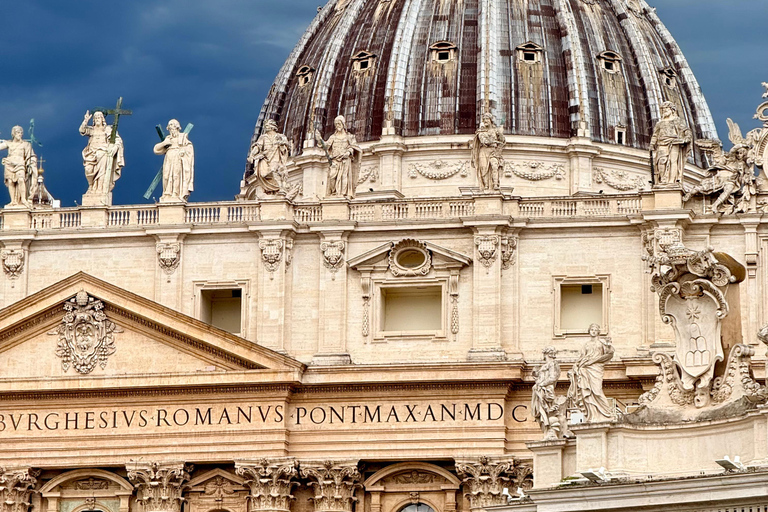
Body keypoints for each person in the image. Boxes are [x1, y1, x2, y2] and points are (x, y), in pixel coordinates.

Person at [567, 324, 615, 423]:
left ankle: (607, 413)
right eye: (591, 329)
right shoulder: (586, 345)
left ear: (598, 332)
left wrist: (608, 346)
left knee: (597, 390)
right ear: (589, 331)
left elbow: (609, 353)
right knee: (587, 391)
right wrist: (576, 365)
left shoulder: (602, 343)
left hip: (596, 368)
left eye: (595, 330)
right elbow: (582, 357)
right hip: (585, 368)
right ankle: (593, 415)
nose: (593, 331)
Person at [80, 110, 125, 195]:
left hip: (103, 153)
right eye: (95, 118)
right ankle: (91, 186)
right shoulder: (91, 130)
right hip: (90, 154)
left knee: (102, 163)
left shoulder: (107, 129)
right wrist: (85, 121)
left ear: (102, 119)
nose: (97, 119)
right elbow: (82, 130)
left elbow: (117, 139)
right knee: (88, 170)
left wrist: (115, 147)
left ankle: (100, 188)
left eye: (99, 118)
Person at [316, 115, 361, 198]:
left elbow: (354, 147)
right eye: (336, 124)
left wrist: (348, 152)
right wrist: (320, 139)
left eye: (339, 124)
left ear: (343, 124)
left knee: (344, 177)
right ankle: (334, 192)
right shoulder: (333, 137)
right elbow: (326, 146)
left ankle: (343, 194)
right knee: (332, 176)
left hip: (345, 159)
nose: (337, 126)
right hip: (335, 160)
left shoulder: (349, 137)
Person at [650, 102, 692, 185]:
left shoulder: (677, 121)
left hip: (674, 142)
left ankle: (671, 181)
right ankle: (663, 180)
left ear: (672, 110)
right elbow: (655, 135)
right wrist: (652, 144)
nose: (664, 110)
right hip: (662, 143)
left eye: (666, 108)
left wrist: (686, 138)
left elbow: (686, 130)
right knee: (661, 161)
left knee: (673, 161)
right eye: (663, 109)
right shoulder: (659, 123)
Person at [531, 347, 568, 440]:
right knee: (542, 410)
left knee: (548, 410)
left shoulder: (553, 364)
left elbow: (553, 377)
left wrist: (541, 384)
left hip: (546, 390)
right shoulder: (546, 365)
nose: (548, 355)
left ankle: (551, 430)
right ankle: (548, 429)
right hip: (541, 389)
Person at [154, 119, 194, 202]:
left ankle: (175, 194)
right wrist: (164, 143)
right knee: (166, 176)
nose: (171, 130)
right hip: (168, 158)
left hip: (178, 159)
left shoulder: (183, 138)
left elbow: (189, 148)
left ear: (177, 127)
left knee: (176, 175)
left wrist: (183, 151)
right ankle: (167, 194)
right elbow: (156, 149)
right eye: (169, 128)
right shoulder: (168, 139)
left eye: (172, 127)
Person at [247, 119, 290, 195]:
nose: (265, 127)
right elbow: (258, 147)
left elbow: (287, 146)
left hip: (276, 156)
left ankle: (279, 188)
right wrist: (251, 155)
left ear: (272, 127)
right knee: (264, 173)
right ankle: (274, 188)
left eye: (267, 126)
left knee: (273, 171)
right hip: (266, 157)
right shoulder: (263, 137)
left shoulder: (280, 137)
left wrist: (281, 144)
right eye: (265, 126)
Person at [0, 126, 38, 207]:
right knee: (10, 182)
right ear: (13, 134)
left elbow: (31, 155)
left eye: (21, 133)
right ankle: (13, 201)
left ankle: (23, 199)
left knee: (21, 180)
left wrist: (32, 163)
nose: (20, 134)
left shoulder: (26, 144)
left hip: (20, 163)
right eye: (18, 132)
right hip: (9, 163)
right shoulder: (8, 143)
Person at [471, 112, 505, 191]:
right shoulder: (481, 133)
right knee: (483, 168)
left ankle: (495, 184)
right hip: (483, 151)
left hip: (493, 151)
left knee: (494, 165)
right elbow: (484, 141)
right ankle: (486, 185)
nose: (485, 121)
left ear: (491, 120)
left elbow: (502, 141)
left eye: (487, 119)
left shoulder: (496, 131)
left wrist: (500, 134)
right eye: (484, 119)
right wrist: (495, 141)